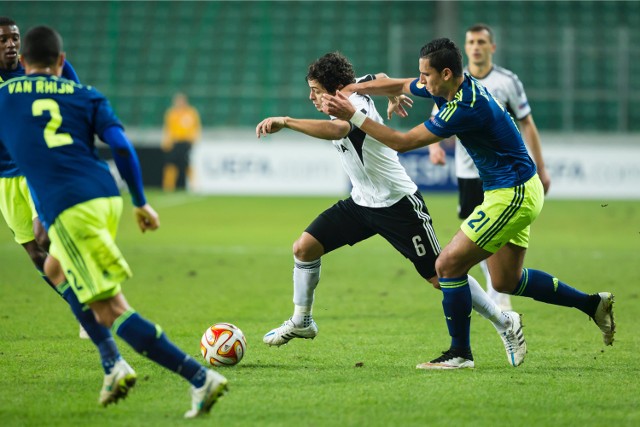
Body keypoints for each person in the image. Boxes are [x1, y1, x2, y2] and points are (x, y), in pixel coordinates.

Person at [322, 38, 614, 369]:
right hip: (515, 189)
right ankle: (592, 304)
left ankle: (460, 353)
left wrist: (354, 116)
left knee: (447, 265)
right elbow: (403, 83)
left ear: (446, 73)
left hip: (513, 193)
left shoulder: (465, 107)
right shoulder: (448, 86)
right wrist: (351, 90)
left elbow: (402, 143)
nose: (422, 80)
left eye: (427, 75)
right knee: (505, 280)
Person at [0, 26, 226, 417]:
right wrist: (142, 202)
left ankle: (199, 378)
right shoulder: (86, 94)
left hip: (71, 207)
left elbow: (27, 157)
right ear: (60, 61)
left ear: (23, 61)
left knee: (109, 310)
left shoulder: (5, 99)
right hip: (106, 195)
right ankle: (111, 363)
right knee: (54, 267)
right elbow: (120, 146)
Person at [256, 52, 527, 368]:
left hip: (398, 204)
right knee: (304, 248)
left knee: (441, 276)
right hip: (361, 203)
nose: (311, 97)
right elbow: (379, 78)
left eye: (316, 90)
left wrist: (287, 122)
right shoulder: (358, 87)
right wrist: (395, 94)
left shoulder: (351, 106)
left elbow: (339, 130)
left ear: (335, 89)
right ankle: (302, 320)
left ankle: (504, 320)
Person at [0, 16, 149, 404]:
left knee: (46, 236)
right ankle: (89, 307)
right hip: (5, 179)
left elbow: (73, 102)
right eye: (3, 40)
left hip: (41, 171)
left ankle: (99, 309)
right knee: (36, 255)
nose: (10, 45)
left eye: (14, 38)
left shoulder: (41, 69)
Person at [427, 23, 551, 312]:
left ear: (492, 47)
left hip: (505, 177)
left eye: (482, 41)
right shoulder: (453, 83)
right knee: (476, 235)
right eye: (471, 42)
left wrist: (540, 167)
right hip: (469, 173)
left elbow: (526, 123)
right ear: (466, 47)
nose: (476, 47)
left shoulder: (507, 81)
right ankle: (497, 289)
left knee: (481, 237)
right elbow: (437, 118)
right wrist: (434, 148)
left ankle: (498, 292)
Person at [161, 92, 201, 191]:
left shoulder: (191, 112)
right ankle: (168, 187)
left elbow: (196, 127)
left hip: (186, 142)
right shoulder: (171, 113)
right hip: (174, 142)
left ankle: (193, 185)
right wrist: (166, 140)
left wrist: (194, 139)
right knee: (170, 164)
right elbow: (168, 128)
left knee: (187, 164)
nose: (179, 103)